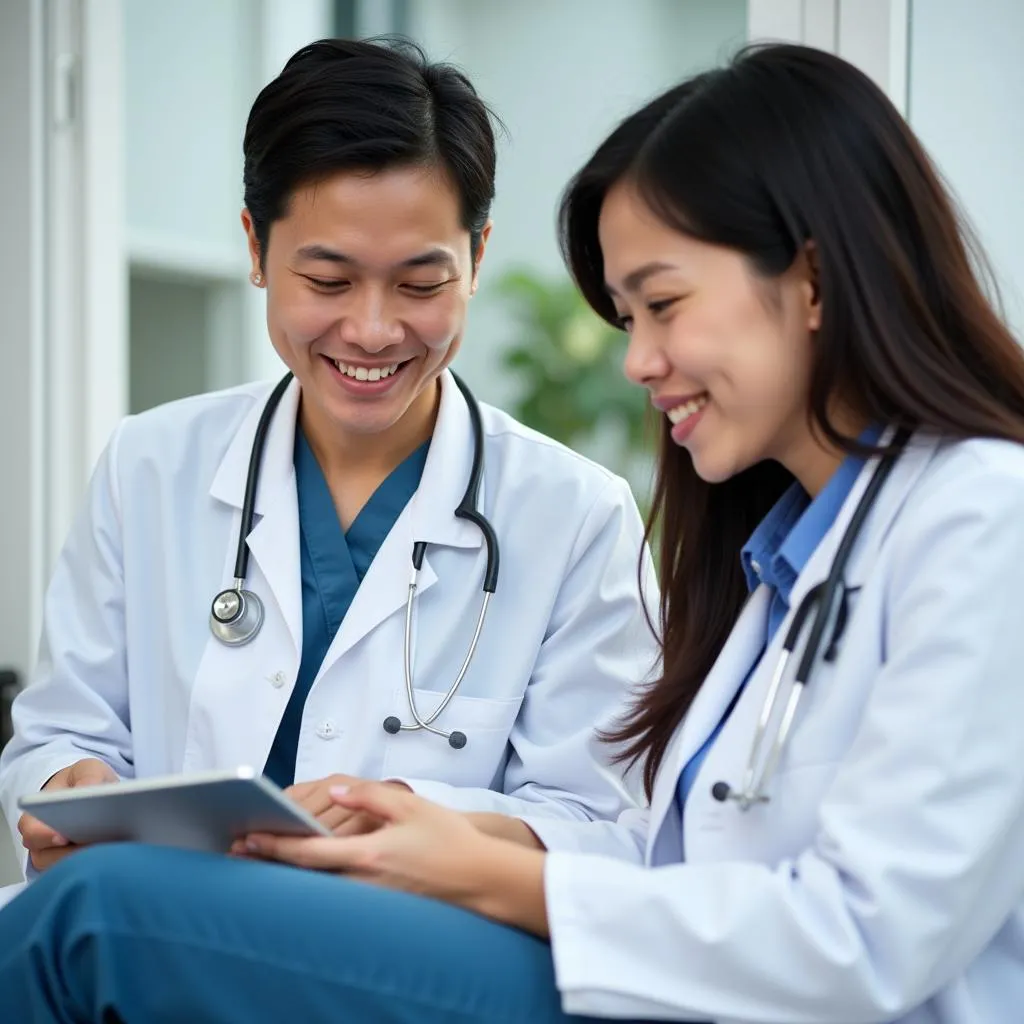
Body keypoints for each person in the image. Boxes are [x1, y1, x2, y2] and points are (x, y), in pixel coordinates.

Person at [5, 40, 1024, 1023]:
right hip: (638, 976)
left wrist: (468, 856)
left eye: (661, 304)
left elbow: (848, 926)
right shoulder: (781, 558)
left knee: (97, 920)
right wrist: (78, 792)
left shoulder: (974, 518)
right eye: (631, 316)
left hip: (596, 970)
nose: (636, 362)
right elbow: (681, 857)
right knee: (91, 914)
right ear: (256, 250)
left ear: (807, 280)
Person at [0, 37, 658, 883]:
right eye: (328, 280)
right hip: (165, 933)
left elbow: (603, 826)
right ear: (255, 248)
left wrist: (411, 817)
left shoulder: (577, 519)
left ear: (478, 259)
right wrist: (68, 786)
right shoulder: (149, 466)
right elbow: (61, 733)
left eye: (421, 285)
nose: (374, 331)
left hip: (407, 967)